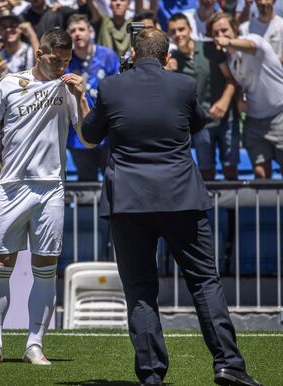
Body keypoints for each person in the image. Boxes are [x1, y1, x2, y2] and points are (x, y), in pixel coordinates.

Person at [81, 28, 262, 386]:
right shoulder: (182, 85)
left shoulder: (112, 86)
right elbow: (197, 124)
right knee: (204, 282)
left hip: (128, 202)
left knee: (141, 290)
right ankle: (228, 364)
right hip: (180, 198)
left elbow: (89, 135)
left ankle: (151, 375)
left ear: (132, 53)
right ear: (167, 57)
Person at [0, 27, 91, 365]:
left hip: (50, 187)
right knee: (0, 264)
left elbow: (87, 139)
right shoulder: (8, 84)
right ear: (38, 54)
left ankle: (34, 344)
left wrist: (82, 97)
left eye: (66, 61)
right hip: (11, 186)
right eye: (55, 60)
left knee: (45, 267)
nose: (61, 67)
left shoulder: (67, 87)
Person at [207, 12, 283, 178]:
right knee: (260, 173)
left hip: (279, 116)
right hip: (253, 121)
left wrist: (229, 42)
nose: (221, 36)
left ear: (235, 30)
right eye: (216, 33)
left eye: (225, 30)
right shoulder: (226, 59)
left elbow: (251, 47)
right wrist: (239, 97)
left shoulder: (254, 38)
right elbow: (239, 82)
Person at [168, 13, 239, 181]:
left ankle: (233, 208)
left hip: (226, 119)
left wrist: (224, 101)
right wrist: (168, 73)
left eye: (181, 29)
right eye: (173, 31)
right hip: (200, 125)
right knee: (206, 172)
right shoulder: (172, 61)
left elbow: (231, 79)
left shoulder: (211, 49)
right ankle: (212, 208)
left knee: (231, 169)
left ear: (190, 29)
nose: (178, 34)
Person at [66, 13, 119, 181]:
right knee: (86, 185)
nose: (77, 34)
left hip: (107, 133)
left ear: (91, 32)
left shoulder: (107, 56)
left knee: (113, 182)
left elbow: (118, 90)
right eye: (73, 31)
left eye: (81, 29)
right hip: (78, 136)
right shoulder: (66, 61)